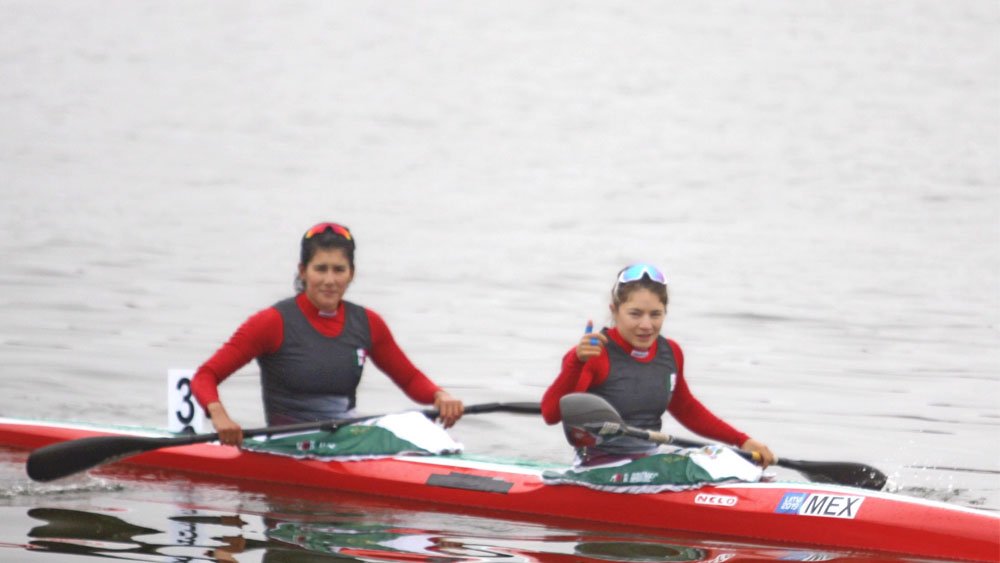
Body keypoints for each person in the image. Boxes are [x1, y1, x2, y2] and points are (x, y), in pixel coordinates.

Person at [191, 222, 465, 445]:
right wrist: (219, 415)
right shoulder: (272, 322)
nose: (330, 280)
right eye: (320, 269)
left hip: (346, 439)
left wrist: (440, 396)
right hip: (290, 444)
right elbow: (206, 376)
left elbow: (409, 377)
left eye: (339, 270)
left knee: (417, 425)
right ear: (303, 272)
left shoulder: (368, 323)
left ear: (351, 274)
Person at [541, 263, 775, 467]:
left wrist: (742, 440)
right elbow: (551, 413)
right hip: (598, 465)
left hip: (650, 461)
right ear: (615, 311)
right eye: (635, 314)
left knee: (723, 460)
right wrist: (576, 362)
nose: (646, 324)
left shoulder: (670, 352)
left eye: (655, 314)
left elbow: (686, 409)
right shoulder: (592, 354)